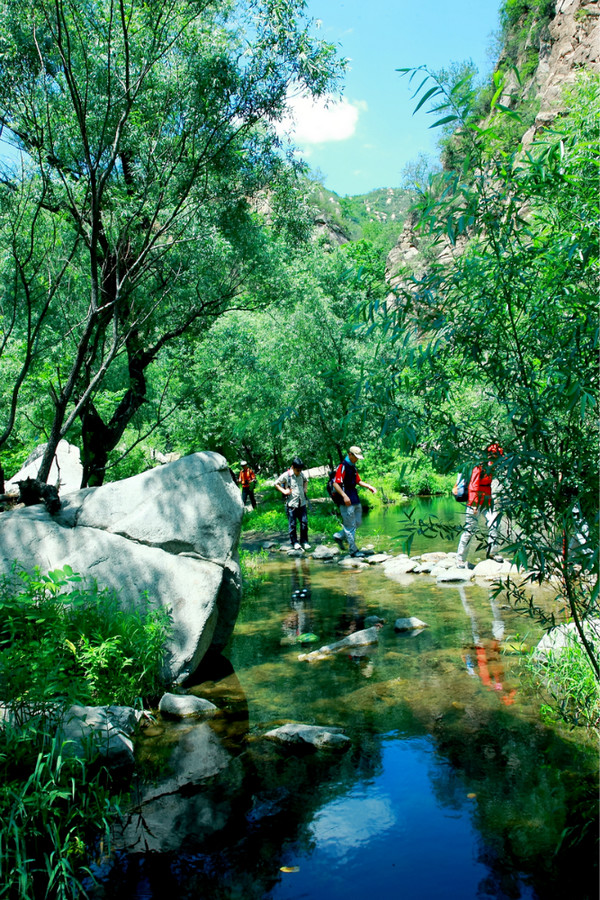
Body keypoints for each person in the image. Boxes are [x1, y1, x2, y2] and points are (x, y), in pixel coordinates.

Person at [456, 443, 504, 566]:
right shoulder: (479, 466)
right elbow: (473, 486)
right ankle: (460, 558)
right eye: (496, 455)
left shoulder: (493, 466)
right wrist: (474, 505)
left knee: (494, 524)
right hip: (475, 502)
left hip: (487, 502)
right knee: (469, 530)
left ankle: (492, 552)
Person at [332, 446, 377, 558]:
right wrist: (344, 496)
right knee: (350, 525)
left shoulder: (353, 467)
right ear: (350, 454)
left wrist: (369, 486)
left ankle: (338, 536)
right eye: (355, 457)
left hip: (354, 497)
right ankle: (353, 551)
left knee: (357, 522)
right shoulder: (342, 466)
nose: (356, 459)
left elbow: (358, 481)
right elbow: (336, 483)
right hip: (346, 500)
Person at [275, 457, 310, 550]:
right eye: (297, 470)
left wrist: (305, 488)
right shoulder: (286, 475)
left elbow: (306, 480)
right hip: (291, 505)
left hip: (302, 503)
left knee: (304, 523)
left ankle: (304, 541)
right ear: (292, 467)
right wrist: (284, 491)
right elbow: (276, 483)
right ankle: (294, 542)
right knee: (292, 524)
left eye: (300, 470)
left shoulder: (301, 474)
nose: (299, 472)